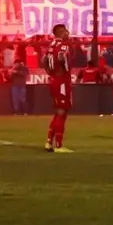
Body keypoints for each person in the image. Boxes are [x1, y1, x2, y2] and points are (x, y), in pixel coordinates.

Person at [44, 24, 74, 153]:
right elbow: (62, 56)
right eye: (66, 31)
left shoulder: (51, 45)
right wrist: (65, 68)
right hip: (61, 80)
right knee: (62, 111)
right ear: (62, 32)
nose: (68, 33)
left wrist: (50, 73)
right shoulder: (63, 44)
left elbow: (43, 60)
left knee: (58, 112)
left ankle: (49, 142)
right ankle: (59, 145)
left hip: (54, 80)